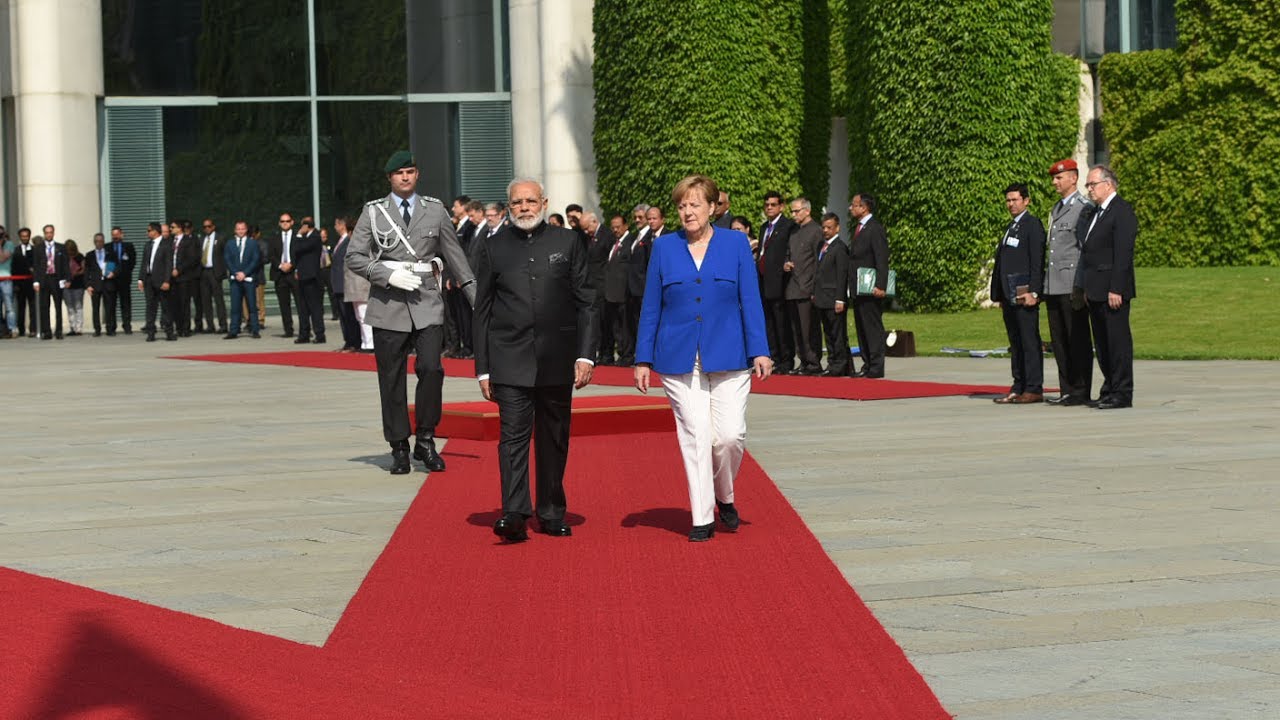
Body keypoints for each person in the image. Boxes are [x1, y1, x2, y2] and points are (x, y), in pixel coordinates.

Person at [635, 175, 772, 542]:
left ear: (713, 207)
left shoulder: (736, 244)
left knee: (728, 437)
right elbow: (651, 306)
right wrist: (642, 359)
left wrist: (760, 348)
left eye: (695, 205)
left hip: (730, 352)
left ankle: (724, 496)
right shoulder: (664, 247)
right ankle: (701, 517)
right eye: (681, 206)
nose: (687, 212)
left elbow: (751, 299)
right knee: (695, 434)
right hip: (678, 356)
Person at [473, 177, 597, 543]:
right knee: (512, 438)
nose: (524, 208)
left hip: (558, 359)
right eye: (516, 203)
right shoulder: (493, 247)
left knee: (553, 438)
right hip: (509, 359)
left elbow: (587, 301)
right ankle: (514, 512)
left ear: (544, 203)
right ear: (508, 207)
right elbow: (482, 309)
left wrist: (586, 354)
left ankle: (551, 511)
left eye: (530, 201)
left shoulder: (569, 242)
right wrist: (483, 367)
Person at [346, 150, 476, 475]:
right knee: (391, 379)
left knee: (432, 370)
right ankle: (399, 446)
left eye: (410, 171)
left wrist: (478, 301)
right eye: (399, 173)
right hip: (389, 304)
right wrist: (385, 274)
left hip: (426, 302)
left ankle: (427, 438)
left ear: (417, 174)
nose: (405, 177)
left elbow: (456, 257)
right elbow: (355, 256)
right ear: (389, 178)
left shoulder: (435, 210)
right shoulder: (374, 212)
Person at [1078, 165, 1137, 409]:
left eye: (1093, 184)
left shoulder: (1121, 211)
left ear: (1108, 184)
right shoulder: (1095, 213)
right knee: (1102, 344)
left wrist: (1117, 289)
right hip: (1095, 290)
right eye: (1088, 185)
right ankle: (1109, 387)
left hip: (1112, 290)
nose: (1089, 189)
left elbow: (1123, 255)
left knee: (1117, 343)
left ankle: (1122, 392)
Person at [1044, 159, 1094, 406]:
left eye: (1059, 178)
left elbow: (1084, 249)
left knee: (1077, 339)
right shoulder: (1056, 208)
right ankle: (1067, 389)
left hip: (1071, 284)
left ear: (1073, 178)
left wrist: (1081, 285)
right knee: (1059, 340)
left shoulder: (1083, 207)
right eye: (1054, 178)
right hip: (1053, 284)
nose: (1054, 182)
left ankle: (1081, 390)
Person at [990, 183, 1046, 404]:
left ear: (1026, 201)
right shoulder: (1010, 227)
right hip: (1009, 294)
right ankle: (1018, 385)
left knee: (1029, 340)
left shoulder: (1032, 225)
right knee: (1016, 341)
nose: (1011, 204)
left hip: (1024, 293)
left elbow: (1036, 262)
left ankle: (1033, 387)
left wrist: (1034, 291)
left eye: (1015, 199)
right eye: (1008, 200)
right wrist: (999, 294)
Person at [847, 193, 890, 378]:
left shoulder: (874, 229)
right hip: (859, 287)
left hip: (871, 287)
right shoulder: (859, 228)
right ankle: (867, 363)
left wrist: (881, 285)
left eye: (854, 205)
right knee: (862, 327)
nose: (851, 208)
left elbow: (881, 258)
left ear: (864, 208)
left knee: (872, 327)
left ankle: (876, 366)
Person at [783, 197, 823, 374]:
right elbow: (788, 254)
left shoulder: (816, 231)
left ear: (807, 211)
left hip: (807, 287)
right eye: (791, 211)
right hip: (793, 286)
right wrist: (786, 263)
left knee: (809, 329)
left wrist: (814, 288)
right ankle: (804, 361)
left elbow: (818, 261)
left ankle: (814, 362)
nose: (793, 215)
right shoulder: (794, 232)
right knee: (796, 329)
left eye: (796, 211)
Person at [757, 191, 794, 373]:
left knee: (781, 323)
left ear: (781, 206)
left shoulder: (788, 226)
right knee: (769, 323)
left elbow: (789, 250)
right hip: (764, 281)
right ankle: (774, 357)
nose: (769, 208)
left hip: (779, 282)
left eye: (773, 205)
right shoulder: (765, 227)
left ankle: (786, 360)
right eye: (767, 205)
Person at [814, 213, 852, 376]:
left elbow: (841, 275)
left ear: (837, 228)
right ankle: (832, 362)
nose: (826, 230)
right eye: (824, 227)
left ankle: (840, 364)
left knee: (838, 334)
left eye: (829, 227)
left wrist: (840, 299)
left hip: (834, 297)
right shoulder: (822, 246)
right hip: (822, 297)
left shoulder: (840, 247)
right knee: (828, 333)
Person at [600, 213, 631, 365]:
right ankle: (621, 353)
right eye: (613, 227)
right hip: (612, 293)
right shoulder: (615, 243)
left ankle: (627, 354)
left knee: (625, 326)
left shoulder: (630, 242)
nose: (615, 230)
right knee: (616, 326)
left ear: (626, 226)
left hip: (624, 292)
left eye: (618, 227)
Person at [223, 220, 262, 339]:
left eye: (242, 229)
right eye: (238, 229)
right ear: (235, 230)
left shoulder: (252, 243)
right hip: (235, 279)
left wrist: (245, 273)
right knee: (235, 306)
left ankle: (255, 329)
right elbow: (227, 259)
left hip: (248, 278)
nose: (240, 231)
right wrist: (236, 273)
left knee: (252, 305)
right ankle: (234, 330)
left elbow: (255, 259)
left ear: (246, 230)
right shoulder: (230, 244)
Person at [292, 216, 326, 344]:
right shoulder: (306, 238)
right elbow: (295, 250)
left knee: (314, 306)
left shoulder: (315, 237)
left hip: (312, 276)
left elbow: (300, 248)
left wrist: (299, 235)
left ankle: (319, 333)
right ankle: (304, 333)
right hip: (302, 275)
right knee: (303, 307)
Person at [329, 216, 361, 352]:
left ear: (342, 225)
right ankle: (348, 341)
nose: (335, 227)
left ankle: (354, 342)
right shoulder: (340, 241)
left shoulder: (349, 241)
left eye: (336, 224)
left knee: (350, 316)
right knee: (343, 315)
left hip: (345, 283)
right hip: (337, 283)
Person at [32, 225, 68, 340]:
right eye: (47, 233)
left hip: (56, 279)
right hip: (44, 279)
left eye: (51, 232)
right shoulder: (38, 248)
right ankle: (46, 331)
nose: (49, 235)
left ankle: (59, 331)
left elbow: (65, 264)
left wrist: (67, 279)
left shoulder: (60, 247)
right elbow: (36, 266)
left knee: (58, 305)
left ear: (53, 233)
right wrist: (36, 281)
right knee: (44, 306)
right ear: (44, 234)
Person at [138, 222, 171, 342]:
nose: (147, 233)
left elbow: (168, 264)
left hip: (161, 280)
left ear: (155, 231)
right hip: (149, 280)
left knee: (165, 307)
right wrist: (141, 279)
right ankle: (151, 332)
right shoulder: (147, 245)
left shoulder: (166, 245)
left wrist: (167, 280)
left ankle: (169, 331)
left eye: (149, 230)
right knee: (150, 307)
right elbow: (144, 263)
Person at [168, 219, 200, 337]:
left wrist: (179, 269)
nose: (171, 229)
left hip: (184, 277)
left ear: (179, 228)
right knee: (175, 303)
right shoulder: (170, 241)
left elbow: (191, 259)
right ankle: (179, 327)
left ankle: (186, 328)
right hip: (172, 277)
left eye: (173, 227)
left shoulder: (188, 241)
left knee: (184, 303)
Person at [195, 219, 228, 335]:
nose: (207, 229)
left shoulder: (220, 238)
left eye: (209, 226)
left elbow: (225, 255)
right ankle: (210, 325)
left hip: (215, 271)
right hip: (204, 272)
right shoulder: (201, 239)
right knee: (206, 300)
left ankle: (223, 325)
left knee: (219, 300)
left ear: (213, 227)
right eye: (205, 227)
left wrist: (223, 271)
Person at [270, 213, 300, 338]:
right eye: (282, 221)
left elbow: (300, 253)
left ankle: (305, 329)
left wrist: (292, 265)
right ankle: (288, 329)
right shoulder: (274, 238)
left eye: (287, 221)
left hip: (294, 273)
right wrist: (280, 265)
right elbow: (271, 255)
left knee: (300, 303)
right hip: (280, 274)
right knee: (284, 304)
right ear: (279, 223)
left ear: (292, 222)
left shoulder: (298, 237)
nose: (285, 223)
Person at [84, 233, 117, 336]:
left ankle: (110, 329)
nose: (99, 243)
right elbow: (87, 272)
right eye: (97, 241)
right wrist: (88, 285)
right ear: (94, 242)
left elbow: (117, 266)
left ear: (104, 242)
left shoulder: (110, 253)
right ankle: (97, 329)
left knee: (109, 307)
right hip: (95, 284)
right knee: (95, 308)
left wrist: (114, 273)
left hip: (108, 283)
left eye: (101, 241)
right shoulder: (89, 255)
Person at [108, 227, 135, 334]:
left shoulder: (128, 246)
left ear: (121, 235)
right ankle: (111, 327)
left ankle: (127, 325)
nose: (115, 237)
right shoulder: (108, 247)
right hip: (111, 280)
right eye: (113, 235)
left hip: (124, 279)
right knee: (111, 304)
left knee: (126, 304)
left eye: (117, 234)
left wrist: (124, 272)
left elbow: (132, 262)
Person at [11, 228, 37, 337]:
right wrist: (14, 284)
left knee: (33, 307)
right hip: (19, 283)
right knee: (20, 307)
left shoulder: (35, 250)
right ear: (20, 237)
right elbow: (13, 268)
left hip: (31, 282)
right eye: (23, 236)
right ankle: (21, 329)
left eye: (26, 236)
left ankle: (33, 329)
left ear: (29, 236)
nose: (25, 238)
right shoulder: (15, 250)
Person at [0, 228, 15, 337]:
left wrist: (0, 245)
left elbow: (2, 259)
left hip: (5, 279)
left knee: (9, 306)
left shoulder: (9, 244)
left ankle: (12, 328)